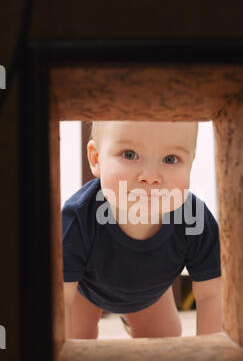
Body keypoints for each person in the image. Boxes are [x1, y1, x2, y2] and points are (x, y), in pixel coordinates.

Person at [62, 121, 222, 339]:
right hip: (85, 290)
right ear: (96, 158)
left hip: (150, 290)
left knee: (166, 341)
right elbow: (60, 298)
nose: (150, 175)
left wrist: (210, 357)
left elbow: (211, 294)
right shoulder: (77, 219)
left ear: (190, 164)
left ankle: (130, 315)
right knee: (75, 344)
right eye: (129, 154)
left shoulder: (195, 218)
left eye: (170, 159)